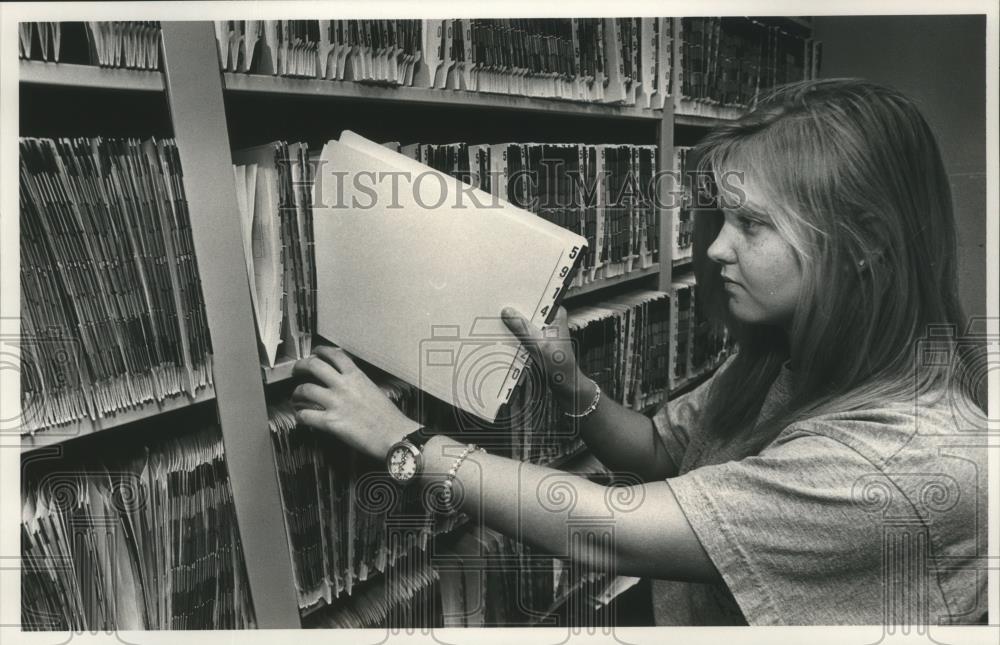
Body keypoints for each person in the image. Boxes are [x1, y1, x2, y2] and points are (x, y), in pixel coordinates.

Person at [291, 78, 988, 626]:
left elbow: (608, 532)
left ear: (863, 242)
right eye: (722, 217)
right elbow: (659, 447)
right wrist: (571, 383)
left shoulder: (895, 465)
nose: (715, 249)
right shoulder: (793, 350)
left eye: (751, 224)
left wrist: (401, 440)